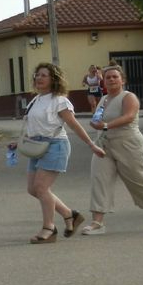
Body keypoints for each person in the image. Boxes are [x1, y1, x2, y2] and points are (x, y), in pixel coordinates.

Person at [22, 62, 105, 243]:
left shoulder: (59, 100)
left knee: (41, 188)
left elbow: (73, 125)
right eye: (37, 75)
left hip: (55, 146)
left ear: (54, 79)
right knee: (33, 189)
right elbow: (33, 125)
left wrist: (91, 144)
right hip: (36, 146)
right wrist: (19, 141)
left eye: (44, 75)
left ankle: (49, 228)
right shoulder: (36, 100)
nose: (39, 78)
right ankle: (69, 214)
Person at [83, 64, 143, 234]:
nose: (111, 80)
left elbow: (129, 116)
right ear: (103, 82)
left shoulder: (128, 97)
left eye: (115, 77)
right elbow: (97, 118)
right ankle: (97, 222)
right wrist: (95, 123)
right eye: (108, 77)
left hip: (128, 143)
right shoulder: (103, 99)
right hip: (104, 145)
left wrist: (106, 125)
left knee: (137, 180)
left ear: (122, 80)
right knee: (99, 179)